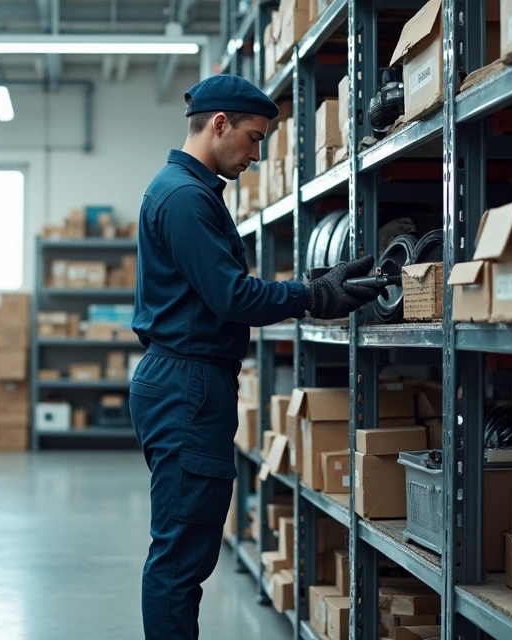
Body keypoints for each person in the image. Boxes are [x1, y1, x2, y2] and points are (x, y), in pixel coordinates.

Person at [129, 75, 376, 640]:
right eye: (254, 138)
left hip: (186, 382)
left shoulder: (186, 191)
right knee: (179, 558)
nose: (258, 155)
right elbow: (232, 296)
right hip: (186, 386)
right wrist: (313, 295)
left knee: (184, 549)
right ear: (219, 125)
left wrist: (306, 289)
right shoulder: (185, 198)